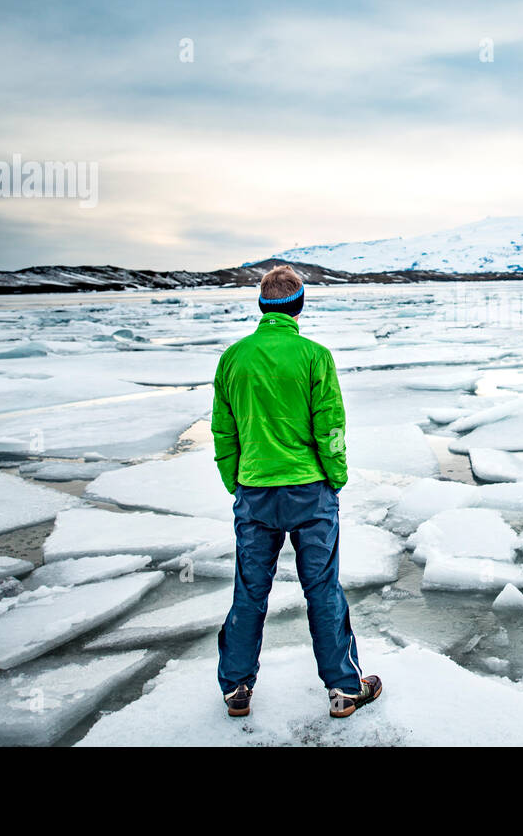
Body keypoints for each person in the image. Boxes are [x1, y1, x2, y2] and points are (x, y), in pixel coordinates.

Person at [211, 265, 381, 719]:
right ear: (298, 305)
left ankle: (236, 688)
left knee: (250, 591)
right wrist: (335, 477)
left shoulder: (233, 358)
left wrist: (237, 480)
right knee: (323, 588)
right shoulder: (315, 356)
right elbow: (331, 427)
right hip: (310, 491)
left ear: (263, 305)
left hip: (256, 492)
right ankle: (345, 689)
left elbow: (223, 431)